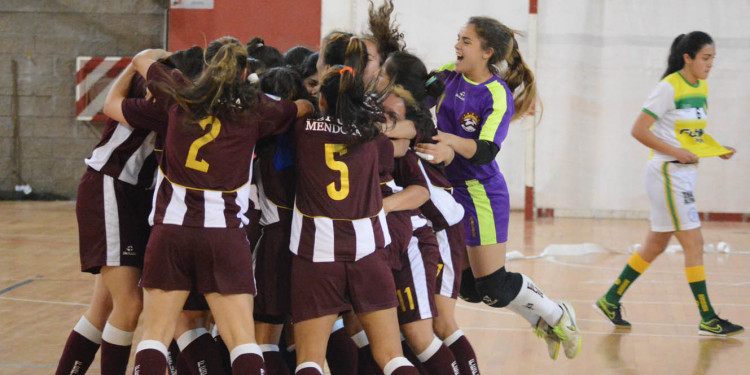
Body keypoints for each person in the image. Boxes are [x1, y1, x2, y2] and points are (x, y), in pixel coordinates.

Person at [102, 36, 312, 374]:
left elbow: (141, 58)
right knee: (242, 339)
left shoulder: (179, 94)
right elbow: (302, 108)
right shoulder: (257, 109)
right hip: (225, 236)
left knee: (155, 335)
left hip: (171, 231)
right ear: (245, 74)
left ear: (206, 68)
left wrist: (162, 58)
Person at [414, 16, 581, 360]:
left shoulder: (496, 95)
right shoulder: (447, 74)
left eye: (466, 42)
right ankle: (540, 318)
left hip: (480, 193)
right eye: (458, 38)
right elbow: (417, 102)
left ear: (487, 52)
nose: (457, 46)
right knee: (471, 291)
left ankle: (556, 314)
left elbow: (486, 150)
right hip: (447, 190)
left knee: (491, 285)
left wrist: (448, 141)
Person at [595, 31, 743, 336]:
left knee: (656, 244)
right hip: (667, 174)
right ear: (687, 58)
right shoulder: (668, 87)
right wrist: (676, 153)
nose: (710, 64)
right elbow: (638, 130)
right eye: (706, 58)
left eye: (713, 58)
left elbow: (692, 136)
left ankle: (610, 299)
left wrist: (717, 149)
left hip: (683, 174)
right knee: (694, 243)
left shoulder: (701, 86)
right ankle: (708, 317)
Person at [289, 65, 419, 375]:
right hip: (369, 253)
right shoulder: (371, 136)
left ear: (322, 101)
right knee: (391, 356)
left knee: (309, 360)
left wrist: (306, 105)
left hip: (315, 255)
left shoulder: (303, 130)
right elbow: (398, 143)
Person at [384, 50, 482, 374]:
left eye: (384, 74)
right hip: (425, 224)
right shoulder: (406, 113)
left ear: (398, 85)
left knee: (441, 323)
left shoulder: (415, 121)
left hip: (442, 226)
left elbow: (397, 135)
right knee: (414, 325)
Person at [55, 71, 156, 375]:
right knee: (130, 304)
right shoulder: (150, 105)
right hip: (110, 185)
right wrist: (140, 61)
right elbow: (139, 69)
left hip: (133, 196)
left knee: (102, 308)